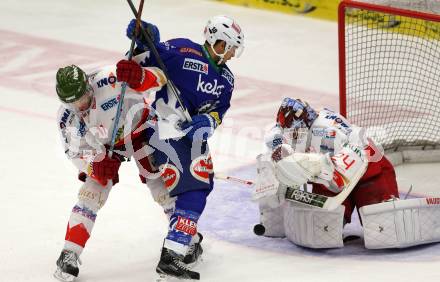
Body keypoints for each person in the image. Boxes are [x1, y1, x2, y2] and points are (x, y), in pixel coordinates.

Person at [125, 15, 244, 280]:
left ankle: (185, 243)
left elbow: (218, 111)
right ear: (217, 41)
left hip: (189, 138)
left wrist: (208, 122)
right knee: (196, 188)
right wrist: (144, 40)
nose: (233, 54)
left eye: (235, 49)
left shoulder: (227, 79)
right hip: (164, 130)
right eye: (230, 47)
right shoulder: (182, 50)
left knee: (203, 185)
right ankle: (172, 254)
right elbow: (139, 65)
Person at [54, 61, 168, 282]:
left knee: (159, 182)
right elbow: (74, 152)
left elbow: (161, 78)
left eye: (82, 97)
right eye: (72, 102)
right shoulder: (66, 117)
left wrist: (140, 76)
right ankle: (69, 253)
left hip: (140, 130)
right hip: (105, 148)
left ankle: (184, 241)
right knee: (91, 193)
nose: (80, 105)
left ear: (88, 86)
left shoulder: (112, 78)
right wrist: (94, 165)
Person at [253, 97, 400, 248]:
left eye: (296, 134)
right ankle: (275, 225)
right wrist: (273, 184)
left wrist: (313, 167)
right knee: (322, 231)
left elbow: (338, 181)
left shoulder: (328, 133)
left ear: (307, 125)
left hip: (369, 169)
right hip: (331, 173)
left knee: (384, 228)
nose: (292, 139)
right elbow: (269, 163)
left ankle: (386, 207)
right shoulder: (278, 132)